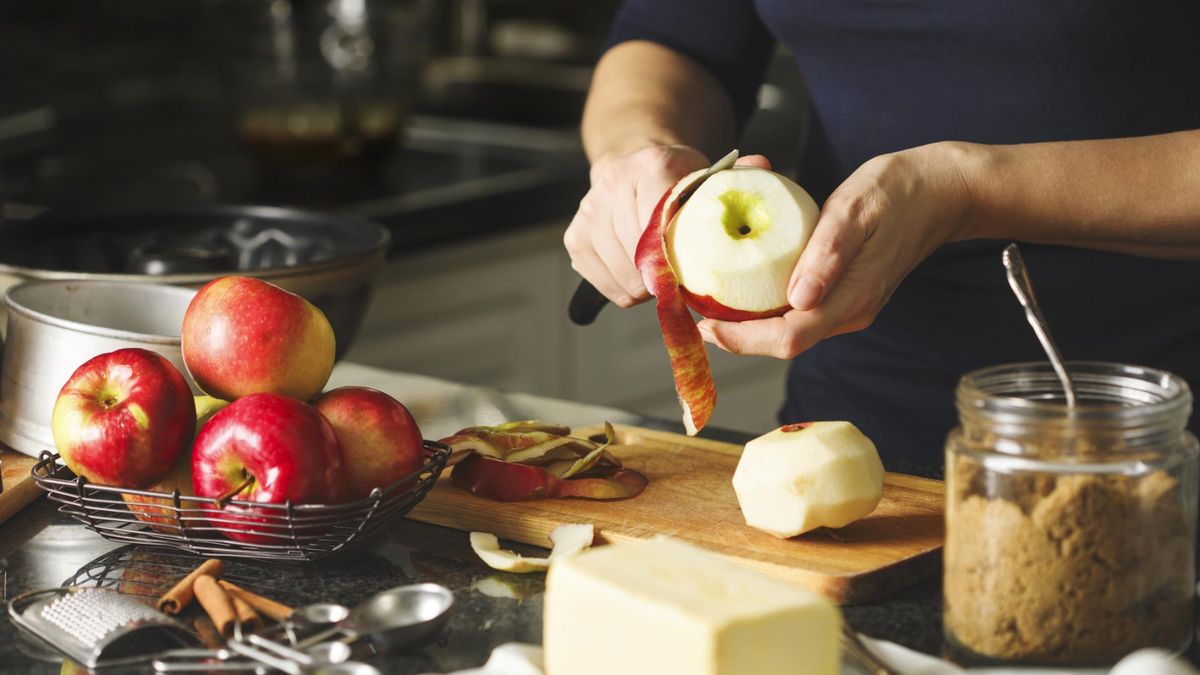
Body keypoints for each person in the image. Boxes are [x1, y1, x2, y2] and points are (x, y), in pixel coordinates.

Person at [563, 1, 1200, 461]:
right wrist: (636, 148)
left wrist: (968, 190)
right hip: (854, 437)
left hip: (1150, 432)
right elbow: (676, 37)